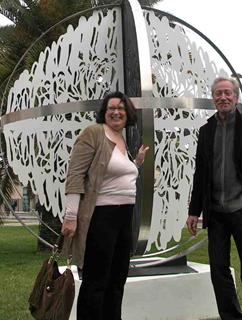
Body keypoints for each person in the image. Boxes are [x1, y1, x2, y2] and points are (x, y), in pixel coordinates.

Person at [186, 77, 242, 320]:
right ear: (213, 98)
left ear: (235, 97)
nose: (223, 97)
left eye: (227, 93)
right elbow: (201, 174)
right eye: (218, 93)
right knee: (218, 271)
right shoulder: (206, 131)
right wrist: (194, 210)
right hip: (216, 214)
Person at [61, 91, 149, 320]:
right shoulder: (94, 133)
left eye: (121, 108)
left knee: (117, 280)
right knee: (96, 282)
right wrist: (71, 216)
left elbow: (118, 176)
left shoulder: (122, 140)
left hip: (124, 217)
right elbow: (75, 175)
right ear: (104, 112)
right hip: (102, 217)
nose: (116, 112)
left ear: (128, 113)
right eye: (111, 108)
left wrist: (136, 164)